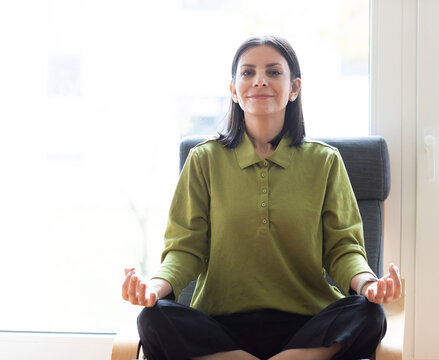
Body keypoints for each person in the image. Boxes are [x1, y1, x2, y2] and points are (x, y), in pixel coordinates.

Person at [122, 35, 401, 360]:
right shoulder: (204, 160)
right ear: (233, 90)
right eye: (248, 73)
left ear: (294, 88)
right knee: (153, 319)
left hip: (307, 326)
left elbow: (343, 249)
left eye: (273, 72)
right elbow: (185, 249)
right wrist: (152, 289)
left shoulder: (324, 161)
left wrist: (369, 285)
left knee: (369, 314)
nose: (260, 81)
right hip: (220, 327)